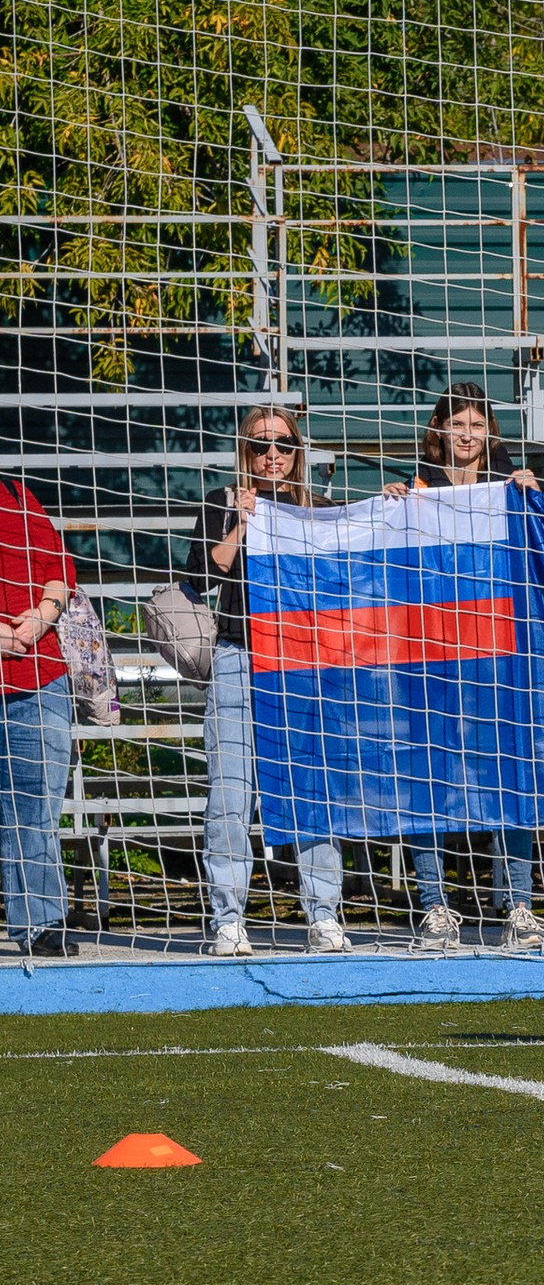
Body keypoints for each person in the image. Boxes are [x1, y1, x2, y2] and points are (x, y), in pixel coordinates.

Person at [383, 384, 544, 946]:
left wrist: (534, 496)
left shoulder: (508, 489)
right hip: (429, 658)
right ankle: (434, 905)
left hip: (498, 655)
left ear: (489, 432)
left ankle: (519, 904)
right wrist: (387, 510)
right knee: (431, 779)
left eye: (477, 424)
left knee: (509, 775)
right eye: (458, 424)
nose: (468, 434)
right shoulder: (415, 491)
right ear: (439, 429)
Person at [187, 405, 349, 958]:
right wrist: (240, 525)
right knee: (230, 793)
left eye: (282, 444)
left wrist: (399, 501)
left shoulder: (320, 510)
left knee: (315, 788)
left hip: (303, 662)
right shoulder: (222, 503)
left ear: (297, 451)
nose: (272, 455)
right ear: (245, 453)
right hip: (237, 656)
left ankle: (323, 914)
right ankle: (228, 918)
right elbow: (198, 578)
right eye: (260, 446)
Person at [0, 478, 78, 956]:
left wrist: (43, 615)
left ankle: (40, 923)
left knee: (38, 807)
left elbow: (60, 568)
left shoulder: (16, 493)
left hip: (39, 672)